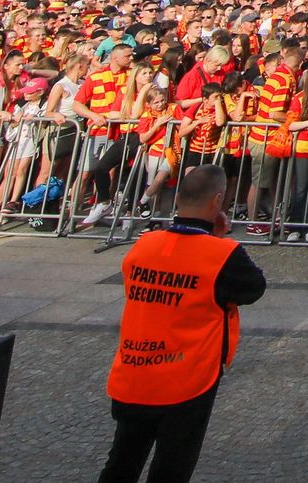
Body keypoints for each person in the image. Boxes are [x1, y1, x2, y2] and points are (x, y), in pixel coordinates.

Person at [100, 164, 267, 483]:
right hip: (186, 380)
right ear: (217, 202)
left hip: (134, 371)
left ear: (177, 199)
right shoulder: (222, 253)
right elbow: (252, 288)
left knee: (121, 462)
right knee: (171, 469)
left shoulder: (143, 245)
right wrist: (217, 237)